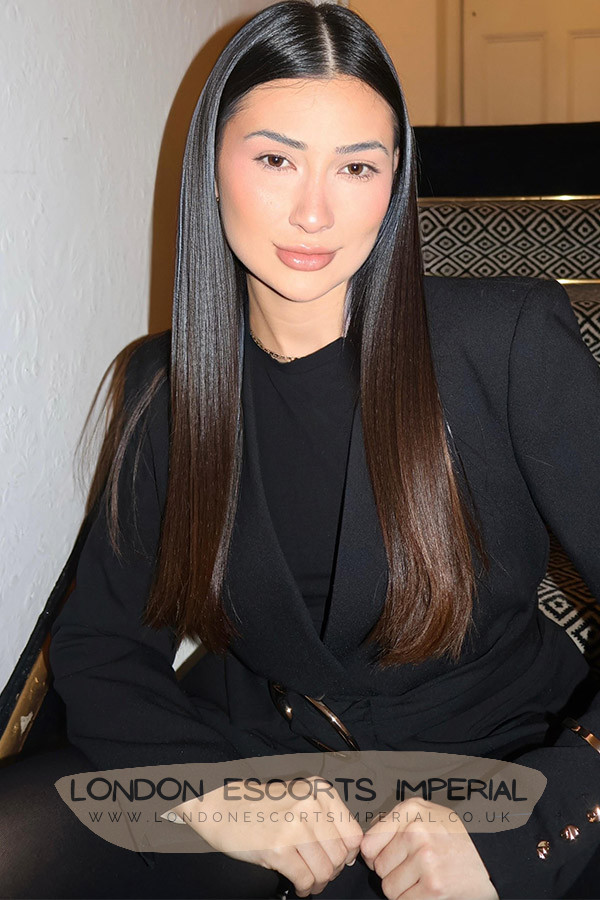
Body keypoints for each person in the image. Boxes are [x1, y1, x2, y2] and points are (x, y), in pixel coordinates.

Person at [0, 2, 599, 898]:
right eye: (276, 159)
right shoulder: (164, 387)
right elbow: (101, 648)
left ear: (394, 183)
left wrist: (533, 839)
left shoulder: (506, 341)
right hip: (260, 757)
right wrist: (214, 793)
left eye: (357, 167)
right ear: (212, 168)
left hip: (499, 768)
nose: (314, 212)